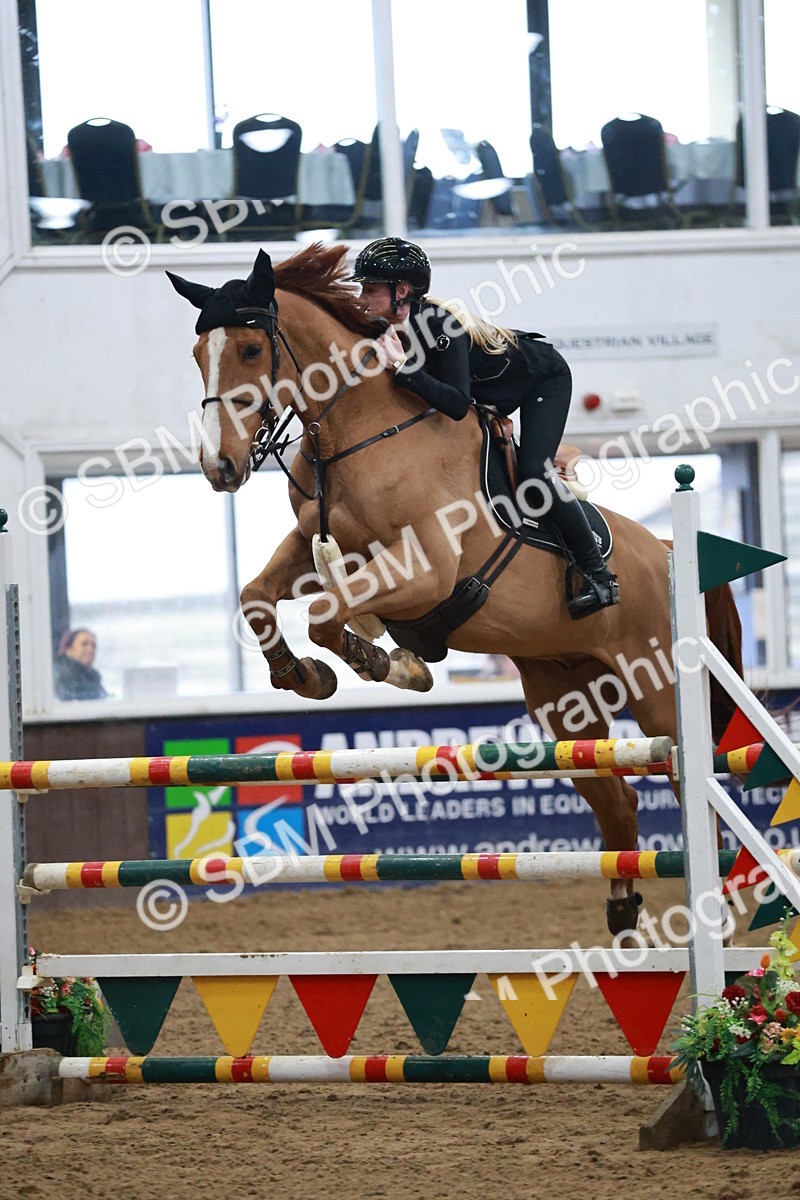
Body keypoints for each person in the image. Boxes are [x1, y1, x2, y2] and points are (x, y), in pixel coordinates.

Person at [352, 236, 619, 619]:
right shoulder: (383, 328)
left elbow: (456, 404)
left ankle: (599, 574)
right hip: (492, 390)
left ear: (402, 291)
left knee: (534, 475)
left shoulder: (439, 325)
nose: (362, 297)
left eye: (370, 289)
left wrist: (402, 370)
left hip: (543, 379)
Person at [53, 628, 107, 701]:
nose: (90, 649)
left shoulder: (92, 676)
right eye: (84, 644)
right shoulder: (61, 675)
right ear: (69, 650)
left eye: (93, 645)